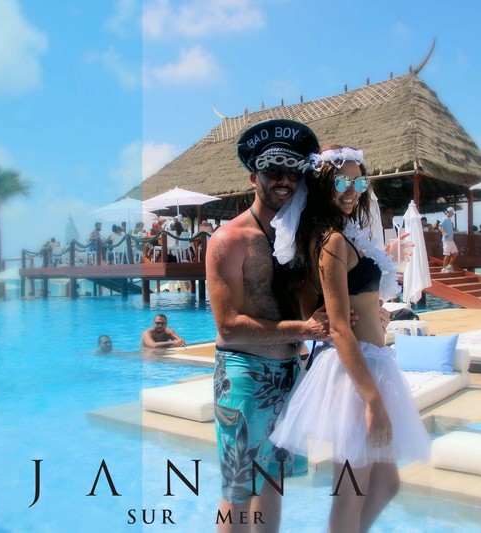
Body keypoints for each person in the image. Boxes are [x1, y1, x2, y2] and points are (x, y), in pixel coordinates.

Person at [269, 144, 430, 532]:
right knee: (351, 490)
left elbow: (321, 298)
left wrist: (375, 309)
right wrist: (372, 400)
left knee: (386, 483)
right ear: (324, 183)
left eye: (359, 182)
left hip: (373, 361)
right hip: (357, 374)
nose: (352, 190)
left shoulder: (338, 235)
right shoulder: (332, 241)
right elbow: (340, 327)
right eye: (342, 181)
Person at [206, 118, 330, 532]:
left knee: (274, 482)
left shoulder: (299, 238)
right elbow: (228, 325)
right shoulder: (229, 240)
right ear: (252, 177)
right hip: (244, 374)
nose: (284, 180)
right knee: (239, 490)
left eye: (293, 172)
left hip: (290, 373)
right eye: (273, 170)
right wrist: (303, 330)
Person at [439, 207, 459, 273]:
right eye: (452, 213)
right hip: (446, 240)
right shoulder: (445, 219)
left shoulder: (449, 219)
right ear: (449, 212)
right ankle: (443, 268)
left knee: (455, 253)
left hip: (450, 240)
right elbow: (439, 227)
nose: (453, 214)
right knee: (447, 255)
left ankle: (449, 266)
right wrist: (444, 233)